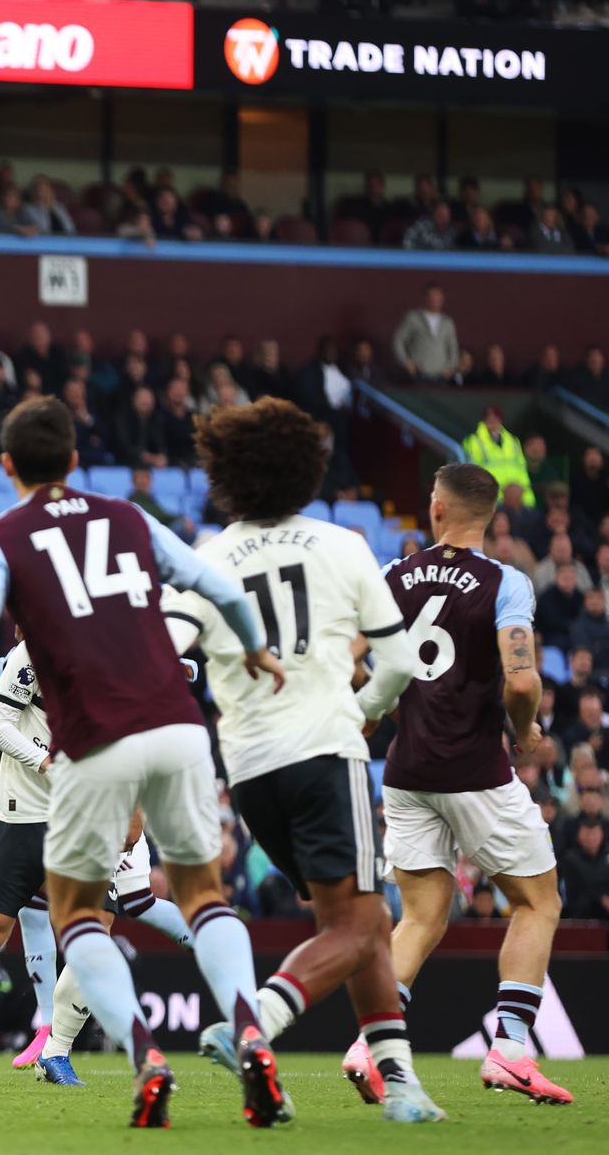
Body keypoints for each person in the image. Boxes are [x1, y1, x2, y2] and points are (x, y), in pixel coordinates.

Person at [0, 397, 287, 1130]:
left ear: (8, 466)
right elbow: (215, 587)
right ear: (78, 462)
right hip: (173, 725)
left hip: (96, 750)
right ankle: (249, 1027)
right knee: (203, 897)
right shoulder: (129, 520)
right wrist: (253, 646)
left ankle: (144, 1055)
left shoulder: (3, 537)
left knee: (83, 920)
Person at [166, 400, 442, 1123]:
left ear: (226, 476)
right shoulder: (343, 545)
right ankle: (252, 1023)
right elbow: (401, 661)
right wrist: (362, 711)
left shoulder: (208, 557)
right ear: (306, 466)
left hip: (251, 770)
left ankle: (402, 1087)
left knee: (360, 926)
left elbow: (163, 654)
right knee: (358, 926)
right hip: (324, 752)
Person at [349, 463, 572, 1106]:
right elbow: (523, 680)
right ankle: (508, 1049)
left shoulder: (394, 576)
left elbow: (360, 656)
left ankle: (370, 1046)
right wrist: (523, 732)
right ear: (491, 517)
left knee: (419, 916)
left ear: (437, 510)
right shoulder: (506, 582)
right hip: (474, 770)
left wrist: (386, 715)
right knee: (538, 902)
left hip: (407, 768)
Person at [0, 646, 196, 1090]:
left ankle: (56, 1052)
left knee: (93, 935)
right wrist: (46, 763)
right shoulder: (35, 650)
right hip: (22, 817)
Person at [461, 405, 533, 505]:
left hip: (517, 499)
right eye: (489, 418)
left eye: (495, 417)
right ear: (484, 420)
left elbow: (522, 470)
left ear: (500, 420)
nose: (493, 421)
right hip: (491, 500)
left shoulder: (513, 441)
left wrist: (527, 498)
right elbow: (470, 473)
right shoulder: (473, 442)